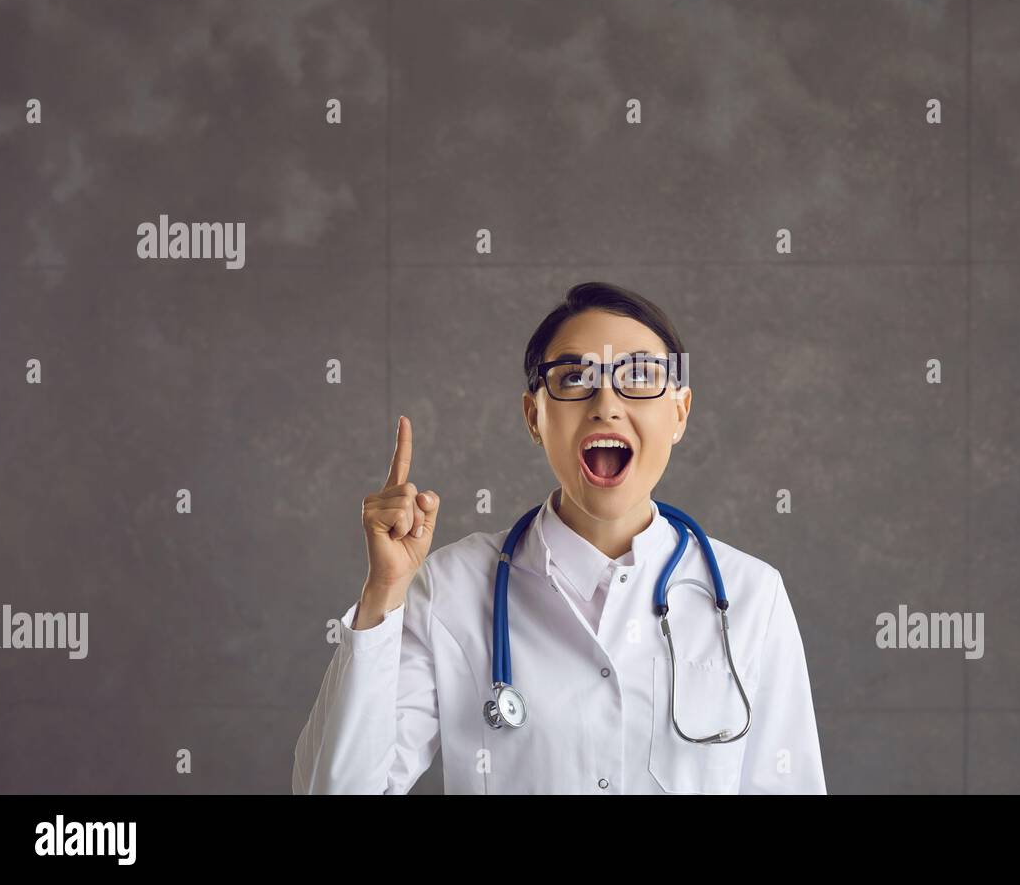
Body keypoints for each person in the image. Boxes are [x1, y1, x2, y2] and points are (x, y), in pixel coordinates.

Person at [292, 282, 826, 794]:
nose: (605, 404)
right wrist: (382, 594)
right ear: (534, 416)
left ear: (679, 413)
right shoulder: (451, 587)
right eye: (574, 378)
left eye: (638, 376)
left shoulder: (752, 595)